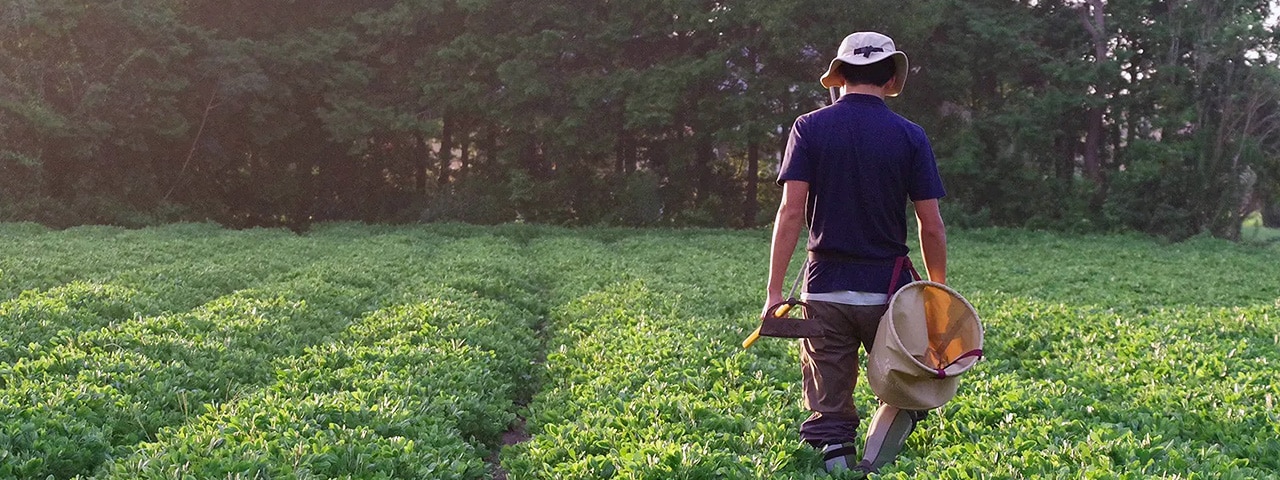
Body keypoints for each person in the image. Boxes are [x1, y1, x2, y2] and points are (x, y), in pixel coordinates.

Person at [762, 31, 948, 475]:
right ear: (891, 79)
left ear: (839, 76)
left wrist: (774, 292)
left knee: (830, 408)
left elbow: (790, 213)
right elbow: (931, 223)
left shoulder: (809, 127)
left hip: (825, 289)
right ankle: (876, 460)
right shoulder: (910, 135)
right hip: (889, 294)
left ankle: (840, 460)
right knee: (908, 384)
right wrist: (937, 294)